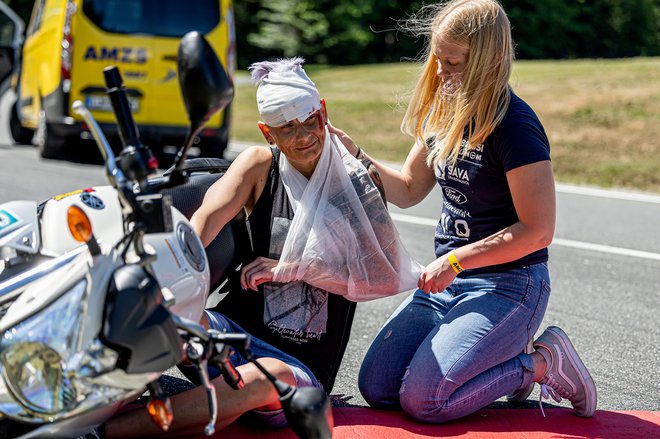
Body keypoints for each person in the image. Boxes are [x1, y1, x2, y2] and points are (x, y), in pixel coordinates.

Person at [330, 0, 597, 424]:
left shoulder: (515, 127)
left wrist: (456, 259)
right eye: (437, 60)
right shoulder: (444, 111)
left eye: (452, 63)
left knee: (426, 401)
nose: (440, 73)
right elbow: (408, 189)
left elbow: (537, 230)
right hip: (449, 285)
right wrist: (355, 156)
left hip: (510, 285)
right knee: (378, 388)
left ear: (488, 61)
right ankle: (494, 358)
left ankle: (545, 362)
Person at [104, 58, 385, 437]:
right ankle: (81, 408)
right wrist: (159, 291)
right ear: (268, 134)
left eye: (310, 121)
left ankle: (108, 432)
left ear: (323, 113)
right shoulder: (258, 165)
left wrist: (289, 268)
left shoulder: (357, 179)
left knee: (263, 378)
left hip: (297, 368)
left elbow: (376, 275)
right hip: (233, 331)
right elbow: (203, 222)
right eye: (287, 129)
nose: (304, 137)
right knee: (156, 323)